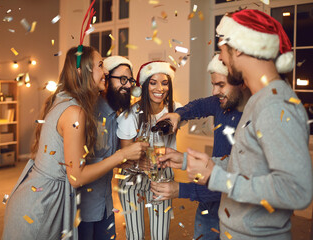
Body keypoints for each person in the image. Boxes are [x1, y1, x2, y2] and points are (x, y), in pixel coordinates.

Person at [159, 9, 313, 239]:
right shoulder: (258, 100)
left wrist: (217, 177)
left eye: (222, 48)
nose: (220, 57)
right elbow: (247, 165)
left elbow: (297, 191)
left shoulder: (275, 105)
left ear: (238, 47)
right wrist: (185, 161)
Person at [2, 46, 148, 240]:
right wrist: (121, 155)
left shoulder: (68, 101)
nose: (105, 71)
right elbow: (76, 177)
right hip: (41, 205)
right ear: (83, 71)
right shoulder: (75, 112)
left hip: (43, 199)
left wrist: (126, 159)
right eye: (100, 65)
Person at [150, 54, 251, 240]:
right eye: (213, 84)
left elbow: (234, 175)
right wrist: (178, 115)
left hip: (234, 211)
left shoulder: (253, 120)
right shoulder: (221, 103)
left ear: (241, 82)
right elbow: (198, 106)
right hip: (207, 209)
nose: (214, 91)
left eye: (220, 85)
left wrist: (180, 189)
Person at [116, 61, 182, 240]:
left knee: (161, 235)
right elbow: (123, 157)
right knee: (135, 235)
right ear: (144, 86)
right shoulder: (129, 116)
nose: (160, 88)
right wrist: (137, 161)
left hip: (162, 174)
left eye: (165, 82)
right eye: (153, 82)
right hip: (132, 178)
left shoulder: (176, 110)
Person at [77, 55, 138, 240]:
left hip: (105, 206)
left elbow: (113, 158)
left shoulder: (117, 115)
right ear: (105, 79)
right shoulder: (86, 113)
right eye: (122, 79)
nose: (127, 86)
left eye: (130, 80)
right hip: (82, 212)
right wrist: (121, 156)